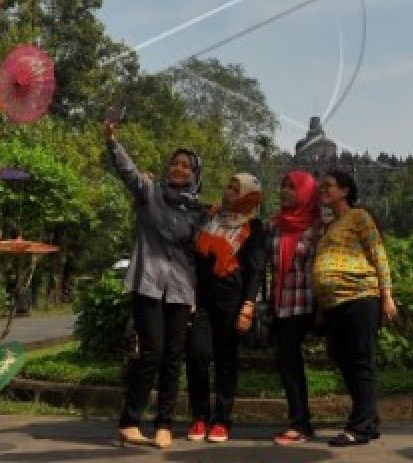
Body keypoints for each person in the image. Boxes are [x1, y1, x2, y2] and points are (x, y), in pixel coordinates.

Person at [106, 120, 205, 449]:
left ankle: (165, 423)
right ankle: (130, 421)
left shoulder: (199, 212)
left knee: (173, 357)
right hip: (148, 280)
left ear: (194, 174)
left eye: (186, 166)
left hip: (181, 287)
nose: (178, 169)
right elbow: (128, 172)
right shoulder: (150, 193)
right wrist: (112, 140)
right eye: (174, 164)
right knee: (152, 351)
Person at [311, 169, 397, 447]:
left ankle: (359, 427)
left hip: (360, 297)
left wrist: (387, 296)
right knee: (344, 360)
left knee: (360, 360)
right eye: (321, 187)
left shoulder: (359, 216)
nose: (323, 190)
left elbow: (378, 254)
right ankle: (369, 422)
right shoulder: (329, 227)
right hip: (334, 304)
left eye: (328, 186)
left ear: (345, 190)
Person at [185, 173, 265, 444]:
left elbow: (255, 270)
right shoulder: (210, 219)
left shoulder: (253, 227)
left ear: (248, 196)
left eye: (235, 188)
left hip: (232, 302)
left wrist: (248, 306)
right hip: (202, 300)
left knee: (225, 360)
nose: (228, 191)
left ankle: (221, 419)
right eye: (228, 185)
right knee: (197, 355)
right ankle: (198, 416)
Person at [266, 170, 322, 446]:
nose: (285, 191)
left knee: (289, 362)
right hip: (281, 304)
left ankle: (301, 424)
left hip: (305, 304)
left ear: (306, 192)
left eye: (292, 187)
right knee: (287, 363)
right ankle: (300, 422)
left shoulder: (317, 227)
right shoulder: (275, 225)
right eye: (283, 186)